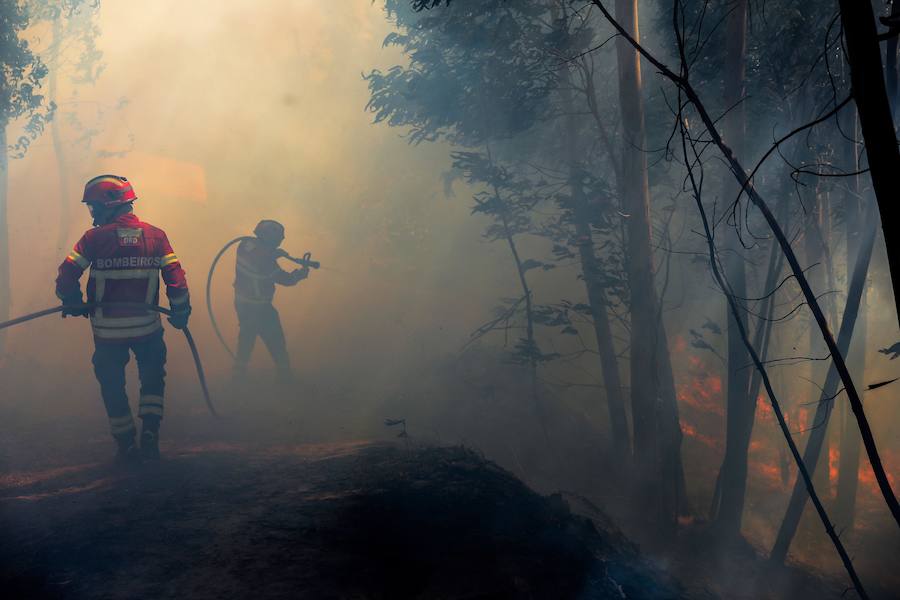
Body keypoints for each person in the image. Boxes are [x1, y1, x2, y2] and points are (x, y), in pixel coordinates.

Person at [55, 175, 191, 464]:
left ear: (109, 205)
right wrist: (180, 312)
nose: (92, 213)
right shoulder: (156, 235)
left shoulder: (93, 239)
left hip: (108, 334)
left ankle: (126, 443)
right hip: (148, 329)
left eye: (93, 207)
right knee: (152, 380)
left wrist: (73, 302)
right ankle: (151, 434)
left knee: (111, 385)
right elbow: (175, 278)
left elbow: (67, 274)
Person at [232, 220, 308, 383]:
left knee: (246, 340)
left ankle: (237, 378)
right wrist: (300, 274)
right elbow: (286, 279)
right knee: (276, 341)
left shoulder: (246, 245)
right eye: (278, 239)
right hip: (259, 307)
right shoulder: (265, 260)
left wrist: (272, 252)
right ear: (269, 238)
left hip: (243, 304)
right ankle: (285, 378)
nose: (280, 242)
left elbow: (257, 255)